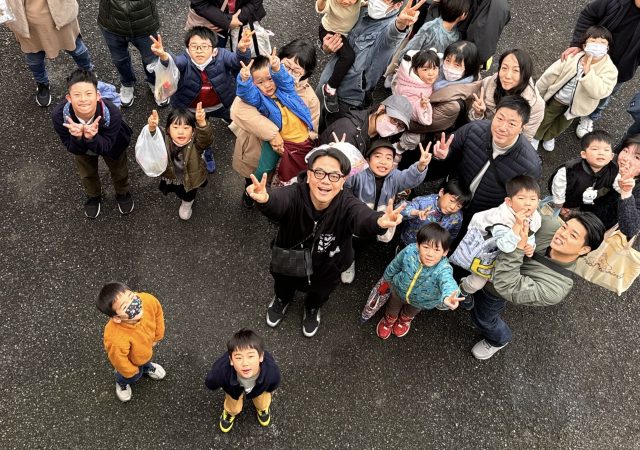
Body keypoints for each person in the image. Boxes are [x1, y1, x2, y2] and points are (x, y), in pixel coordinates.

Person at [245, 145, 404, 337]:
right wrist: (265, 200)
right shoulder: (295, 193)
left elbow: (362, 217)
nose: (326, 181)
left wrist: (379, 221)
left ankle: (312, 309)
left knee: (320, 293)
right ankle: (282, 299)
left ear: (344, 180)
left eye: (334, 176)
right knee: (283, 284)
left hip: (329, 264)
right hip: (289, 257)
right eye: (319, 173)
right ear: (309, 175)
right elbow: (278, 201)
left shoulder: (347, 203)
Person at [469, 211, 605, 360]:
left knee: (483, 317)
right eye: (564, 227)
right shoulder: (548, 225)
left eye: (573, 236)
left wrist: (517, 246)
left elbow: (507, 285)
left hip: (493, 291)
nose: (562, 234)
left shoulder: (556, 288)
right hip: (481, 266)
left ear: (584, 250)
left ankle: (499, 339)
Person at [230, 39, 320, 208]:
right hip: (255, 147)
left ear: (305, 74)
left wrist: (295, 140)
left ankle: (270, 203)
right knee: (253, 177)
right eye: (286, 66)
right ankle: (249, 196)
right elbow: (237, 109)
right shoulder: (263, 78)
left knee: (278, 184)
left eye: (297, 70)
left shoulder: (310, 98)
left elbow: (313, 130)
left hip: (289, 151)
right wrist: (273, 135)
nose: (289, 72)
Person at [149, 26, 252, 173]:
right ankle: (206, 150)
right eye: (194, 46)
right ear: (187, 48)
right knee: (201, 132)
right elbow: (174, 63)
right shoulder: (185, 60)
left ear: (213, 48)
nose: (199, 50)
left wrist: (242, 50)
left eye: (204, 46)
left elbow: (237, 62)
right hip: (192, 108)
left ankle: (232, 126)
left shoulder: (222, 55)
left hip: (220, 103)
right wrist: (164, 56)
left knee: (233, 118)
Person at [431, 95, 542, 224]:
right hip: (453, 197)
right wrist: (443, 155)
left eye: (512, 123)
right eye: (500, 118)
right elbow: (451, 151)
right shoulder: (474, 129)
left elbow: (521, 200)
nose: (502, 127)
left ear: (522, 128)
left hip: (482, 215)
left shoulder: (530, 165)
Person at [341, 140, 432, 282]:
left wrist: (420, 166)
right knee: (351, 242)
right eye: (377, 156)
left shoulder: (394, 177)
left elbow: (409, 178)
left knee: (366, 243)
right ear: (367, 159)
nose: (383, 161)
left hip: (380, 221)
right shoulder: (359, 173)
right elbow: (344, 181)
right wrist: (342, 157)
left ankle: (355, 255)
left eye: (389, 158)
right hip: (358, 218)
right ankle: (348, 263)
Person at [51, 69, 134, 219]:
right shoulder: (59, 116)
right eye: (77, 95)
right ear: (69, 98)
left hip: (113, 145)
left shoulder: (113, 113)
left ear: (97, 96)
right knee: (87, 172)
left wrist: (91, 138)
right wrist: (76, 138)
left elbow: (107, 146)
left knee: (119, 169)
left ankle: (122, 191)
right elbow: (71, 147)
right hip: (82, 149)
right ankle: (93, 195)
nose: (83, 99)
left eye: (89, 94)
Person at [316, 0, 425, 108]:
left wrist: (401, 24)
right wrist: (327, 48)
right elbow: (336, 30)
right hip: (325, 82)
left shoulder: (389, 28)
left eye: (384, 0)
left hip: (346, 99)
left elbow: (393, 36)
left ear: (398, 5)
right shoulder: (361, 8)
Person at [456, 175, 541, 308]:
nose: (528, 203)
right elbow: (504, 246)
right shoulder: (501, 219)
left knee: (496, 276)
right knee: (477, 283)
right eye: (521, 198)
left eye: (533, 199)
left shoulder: (534, 217)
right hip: (487, 251)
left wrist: (530, 246)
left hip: (505, 256)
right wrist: (517, 225)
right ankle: (462, 290)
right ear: (509, 201)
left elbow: (530, 234)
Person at [561, 0, 640, 138]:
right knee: (574, 82)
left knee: (603, 95)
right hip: (590, 58)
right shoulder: (614, 2)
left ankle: (590, 116)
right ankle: (563, 105)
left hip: (620, 71)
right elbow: (588, 14)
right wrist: (578, 43)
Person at [533, 26, 618, 152]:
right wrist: (537, 92)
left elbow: (601, 92)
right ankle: (536, 136)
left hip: (578, 106)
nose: (597, 46)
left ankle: (549, 136)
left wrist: (588, 73)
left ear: (608, 47)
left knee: (561, 124)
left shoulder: (609, 70)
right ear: (584, 45)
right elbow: (550, 74)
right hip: (559, 98)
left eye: (602, 43)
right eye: (593, 41)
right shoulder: (573, 57)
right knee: (546, 117)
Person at [376, 223, 463, 339]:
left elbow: (448, 282)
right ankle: (389, 319)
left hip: (423, 300)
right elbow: (395, 265)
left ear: (445, 252)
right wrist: (386, 279)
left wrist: (449, 296)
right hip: (399, 289)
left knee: (411, 311)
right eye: (426, 247)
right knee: (392, 307)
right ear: (418, 244)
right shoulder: (409, 251)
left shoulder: (443, 268)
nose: (430, 254)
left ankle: (404, 319)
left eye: (437, 250)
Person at [5, 0, 94, 106]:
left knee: (77, 50)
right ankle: (42, 83)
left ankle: (88, 73)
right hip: (26, 22)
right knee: (34, 60)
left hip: (61, 15)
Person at [97, 282, 166, 402]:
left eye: (132, 296)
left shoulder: (148, 300)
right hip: (130, 362)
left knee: (145, 360)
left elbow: (158, 314)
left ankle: (146, 367)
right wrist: (130, 372)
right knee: (131, 376)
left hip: (145, 350)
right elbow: (118, 358)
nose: (134, 304)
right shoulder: (115, 337)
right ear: (117, 318)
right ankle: (122, 382)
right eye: (125, 306)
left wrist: (157, 336)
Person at [144, 103, 213, 220]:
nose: (181, 132)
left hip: (191, 177)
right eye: (175, 127)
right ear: (168, 130)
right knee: (176, 189)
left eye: (186, 128)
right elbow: (153, 139)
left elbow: (206, 140)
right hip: (172, 176)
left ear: (193, 131)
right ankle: (185, 200)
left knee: (189, 193)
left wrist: (202, 123)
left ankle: (187, 204)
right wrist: (151, 128)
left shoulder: (196, 143)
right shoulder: (164, 140)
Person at [402, 40, 481, 140]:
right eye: (447, 60)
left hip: (420, 129)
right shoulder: (439, 69)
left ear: (469, 68)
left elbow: (424, 124)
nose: (448, 67)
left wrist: (398, 119)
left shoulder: (453, 105)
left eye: (457, 65)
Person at [205, 329, 281, 433]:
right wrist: (213, 384)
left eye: (250, 356)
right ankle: (230, 412)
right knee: (234, 407)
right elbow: (211, 381)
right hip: (233, 389)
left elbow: (275, 382)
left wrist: (270, 389)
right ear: (231, 360)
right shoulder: (222, 370)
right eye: (239, 358)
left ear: (261, 357)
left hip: (260, 386)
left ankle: (262, 408)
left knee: (262, 401)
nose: (245, 363)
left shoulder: (270, 370)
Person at [97, 0, 166, 108]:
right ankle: (127, 83)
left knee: (151, 59)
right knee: (119, 59)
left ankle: (154, 82)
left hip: (144, 22)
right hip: (112, 22)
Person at [469, 49, 545, 142]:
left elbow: (525, 139)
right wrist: (478, 114)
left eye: (516, 70)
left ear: (525, 74)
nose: (507, 76)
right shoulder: (489, 83)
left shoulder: (536, 105)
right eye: (504, 68)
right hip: (482, 134)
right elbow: (473, 119)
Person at [413, 0, 511, 70]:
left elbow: (481, 46)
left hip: (452, 59)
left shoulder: (495, 6)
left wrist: (455, 65)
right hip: (446, 52)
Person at [548, 130, 619, 228]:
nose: (601, 153)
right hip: (566, 198)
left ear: (611, 156)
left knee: (573, 221)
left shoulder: (613, 170)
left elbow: (618, 184)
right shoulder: (571, 169)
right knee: (555, 217)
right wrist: (559, 202)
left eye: (606, 150)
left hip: (583, 202)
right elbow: (558, 185)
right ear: (584, 154)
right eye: (595, 149)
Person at [319, 94, 413, 154]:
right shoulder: (347, 131)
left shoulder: (379, 135)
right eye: (393, 120)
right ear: (381, 109)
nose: (394, 128)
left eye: (400, 126)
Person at [316, 0, 364, 113]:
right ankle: (330, 88)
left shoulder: (358, 2)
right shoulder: (332, 2)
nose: (346, 1)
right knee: (348, 56)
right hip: (330, 31)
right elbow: (320, 7)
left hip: (345, 33)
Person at [394, 0, 470, 70]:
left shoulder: (456, 35)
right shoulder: (430, 28)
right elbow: (407, 53)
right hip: (415, 73)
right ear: (463, 14)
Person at [391, 49, 439, 156]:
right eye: (425, 69)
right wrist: (420, 106)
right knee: (414, 137)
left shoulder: (419, 81)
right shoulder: (410, 89)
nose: (431, 73)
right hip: (404, 120)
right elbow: (409, 109)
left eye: (434, 68)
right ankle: (397, 149)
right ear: (415, 69)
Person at [399, 178, 471, 247]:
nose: (453, 207)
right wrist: (416, 212)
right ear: (441, 192)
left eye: (458, 206)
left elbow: (452, 233)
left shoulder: (457, 217)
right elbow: (401, 209)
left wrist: (446, 245)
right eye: (451, 200)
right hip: (410, 241)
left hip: (432, 248)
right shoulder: (424, 202)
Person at [190, 0, 266, 50]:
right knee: (210, 54)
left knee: (245, 53)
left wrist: (238, 18)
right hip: (211, 20)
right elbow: (199, 3)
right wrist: (228, 21)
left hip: (243, 18)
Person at [614, 134, 640, 238]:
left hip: (600, 229)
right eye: (625, 150)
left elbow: (630, 229)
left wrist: (626, 192)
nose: (626, 159)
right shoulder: (609, 161)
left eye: (637, 157)